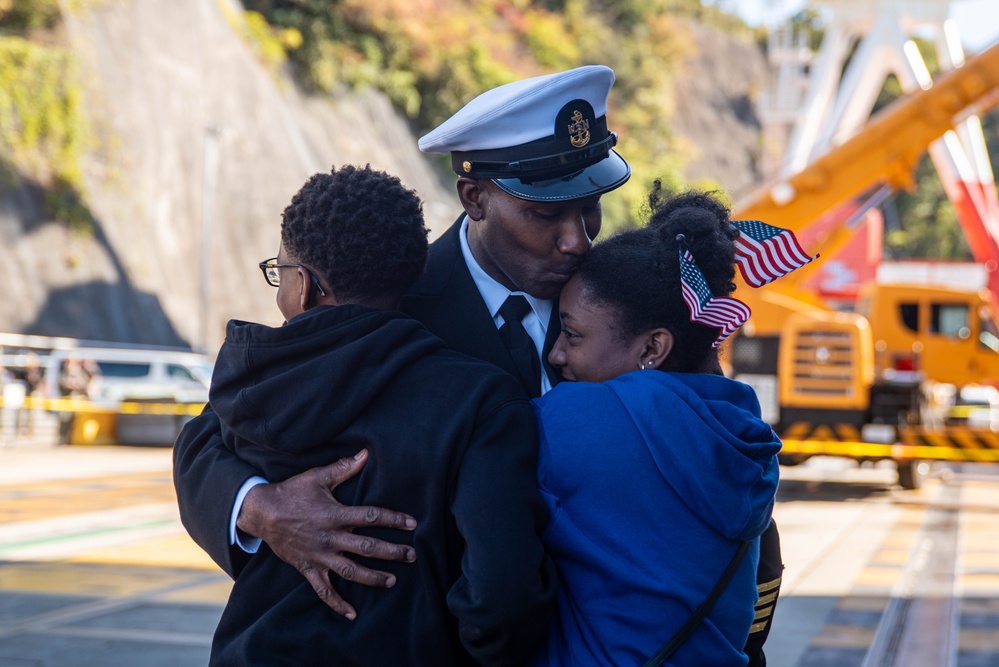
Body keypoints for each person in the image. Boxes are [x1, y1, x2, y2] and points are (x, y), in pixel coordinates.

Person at [173, 65, 783, 663]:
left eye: (589, 208)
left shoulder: (632, 300)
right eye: (546, 214)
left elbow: (720, 458)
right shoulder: (392, 294)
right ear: (475, 199)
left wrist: (741, 636)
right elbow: (213, 434)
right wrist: (259, 509)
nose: (577, 240)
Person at [207, 164, 555, 666]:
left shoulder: (252, 379)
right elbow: (503, 596)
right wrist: (257, 505)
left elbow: (199, 445)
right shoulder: (480, 400)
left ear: (302, 286)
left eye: (278, 271)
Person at [530, 188, 781, 666]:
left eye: (573, 333)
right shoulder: (743, 431)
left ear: (652, 348)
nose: (556, 353)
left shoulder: (573, 423)